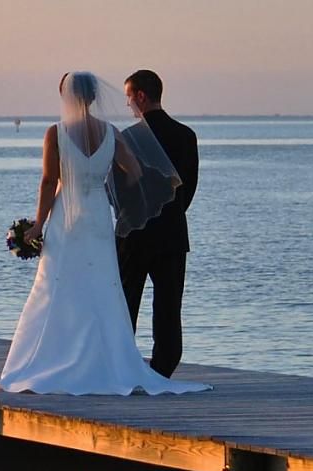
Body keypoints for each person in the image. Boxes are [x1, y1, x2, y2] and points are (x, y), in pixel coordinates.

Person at [0, 72, 210, 396]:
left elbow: (47, 180)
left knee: (57, 287)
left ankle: (54, 359)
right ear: (95, 97)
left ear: (66, 96)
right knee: (104, 289)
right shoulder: (111, 133)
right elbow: (135, 172)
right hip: (98, 217)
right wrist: (108, 193)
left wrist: (39, 224)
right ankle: (114, 362)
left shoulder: (56, 133)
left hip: (67, 217)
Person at [113, 70, 199, 378]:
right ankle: (163, 367)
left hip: (134, 234)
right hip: (173, 233)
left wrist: (131, 213)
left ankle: (122, 362)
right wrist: (172, 213)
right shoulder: (186, 135)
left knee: (125, 302)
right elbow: (189, 186)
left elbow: (118, 189)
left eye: (128, 97)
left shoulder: (128, 137)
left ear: (140, 96)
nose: (127, 105)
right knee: (168, 305)